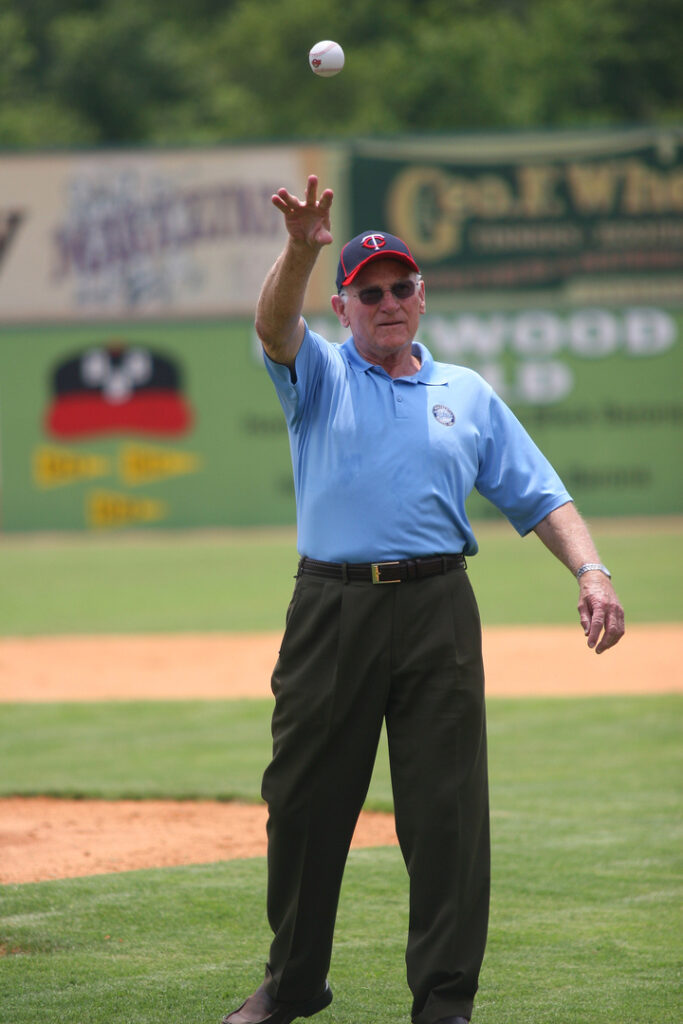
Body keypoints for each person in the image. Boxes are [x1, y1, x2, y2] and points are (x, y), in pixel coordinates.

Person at [221, 175, 625, 1024]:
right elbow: (270, 325)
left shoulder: (465, 394)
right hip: (331, 610)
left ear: (422, 295)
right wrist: (300, 249)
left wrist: (592, 573)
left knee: (446, 814)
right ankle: (293, 985)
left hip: (438, 608)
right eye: (368, 293)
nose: (388, 301)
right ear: (344, 308)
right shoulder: (319, 379)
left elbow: (541, 496)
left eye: (401, 287)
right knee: (301, 805)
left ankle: (444, 1001)